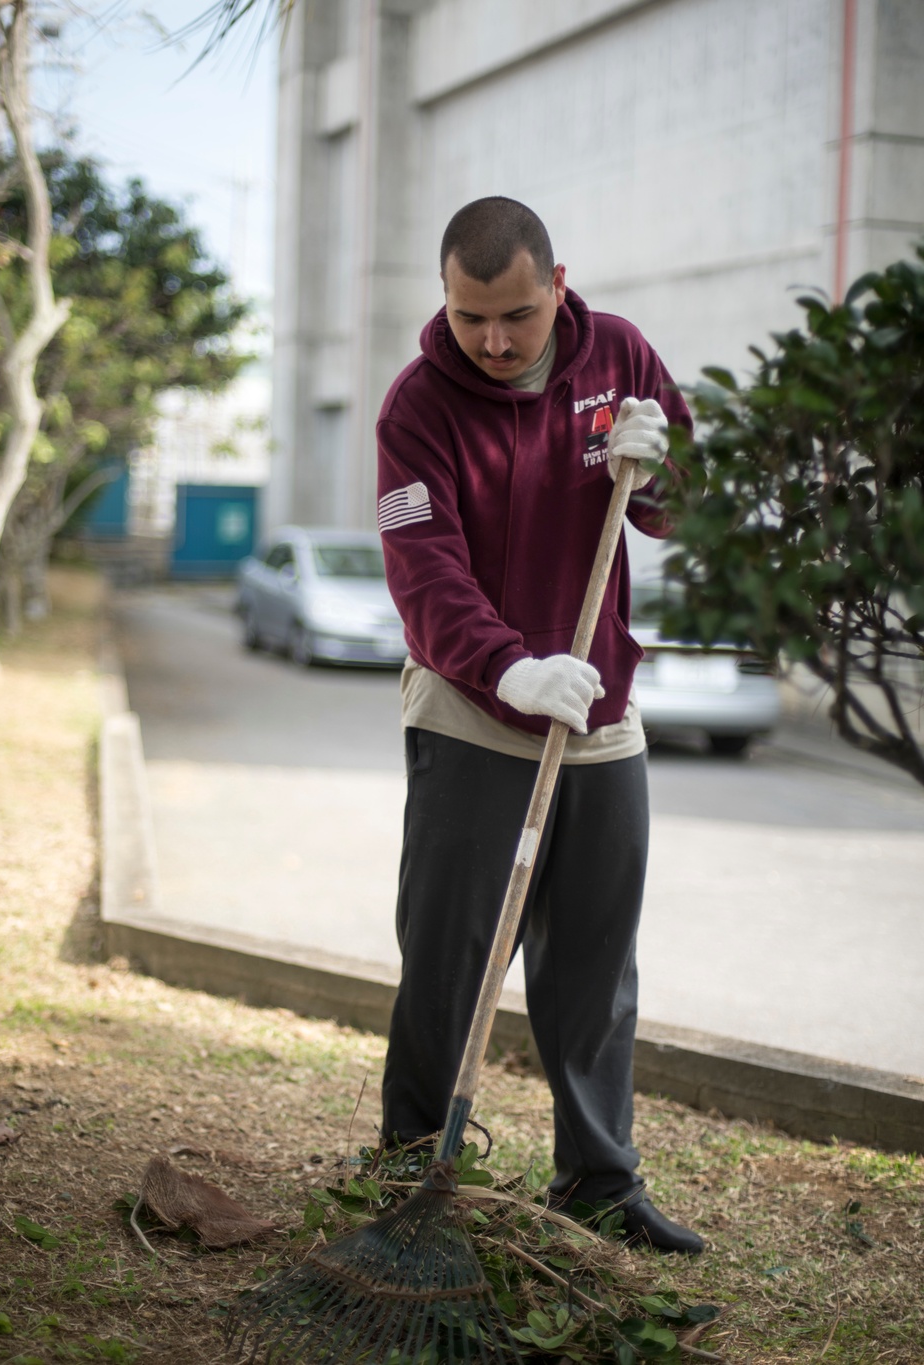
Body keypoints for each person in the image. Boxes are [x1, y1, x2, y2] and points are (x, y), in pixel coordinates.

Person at [375, 196, 702, 1256]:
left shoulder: (620, 359)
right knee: (449, 961)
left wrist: (664, 471)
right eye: (472, 318)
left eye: (516, 312)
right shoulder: (415, 406)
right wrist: (510, 669)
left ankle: (600, 1181)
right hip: (475, 711)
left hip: (601, 712)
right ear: (447, 301)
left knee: (596, 967)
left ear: (558, 284)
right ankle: (408, 1171)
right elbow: (424, 575)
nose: (496, 340)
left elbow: (678, 510)